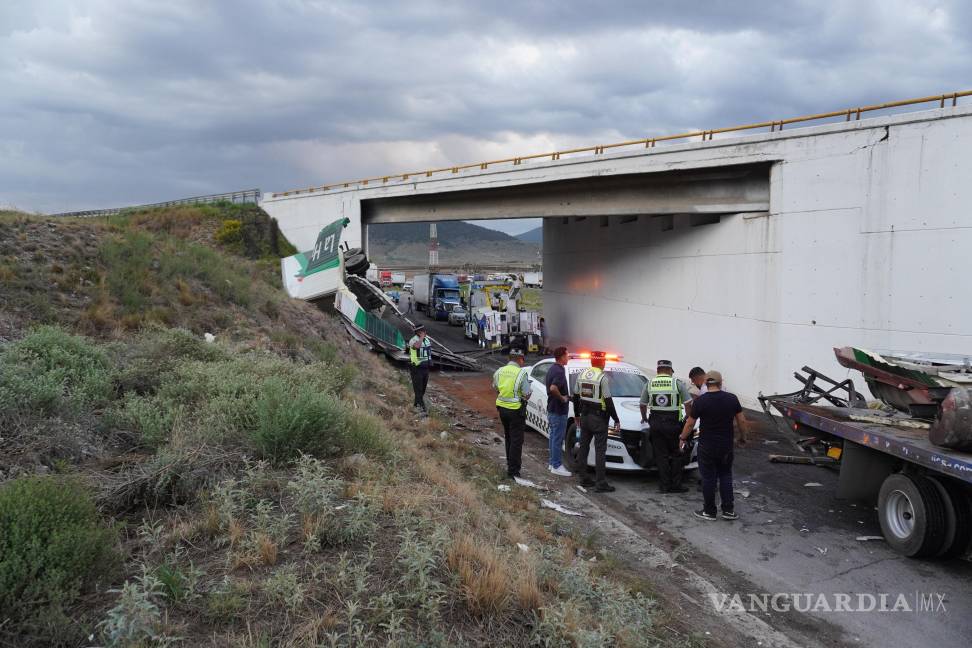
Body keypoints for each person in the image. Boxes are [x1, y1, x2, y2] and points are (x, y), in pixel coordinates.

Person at [679, 370, 750, 521]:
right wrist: (743, 437)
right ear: (721, 383)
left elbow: (690, 423)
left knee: (708, 478)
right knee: (725, 475)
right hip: (725, 445)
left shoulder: (700, 401)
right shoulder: (732, 399)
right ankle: (728, 511)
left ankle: (709, 511)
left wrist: (683, 437)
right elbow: (742, 421)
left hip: (707, 446)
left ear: (705, 383)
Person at [640, 360, 692, 494]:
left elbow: (642, 404)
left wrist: (644, 417)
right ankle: (676, 485)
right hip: (673, 424)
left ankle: (664, 485)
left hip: (656, 424)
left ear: (658, 371)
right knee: (677, 454)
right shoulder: (677, 383)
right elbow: (688, 403)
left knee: (661, 455)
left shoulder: (649, 383)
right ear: (670, 370)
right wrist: (688, 417)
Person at [572, 351, 619, 492]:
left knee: (584, 447)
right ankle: (600, 483)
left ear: (592, 362)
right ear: (602, 363)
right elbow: (608, 401)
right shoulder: (602, 378)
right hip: (599, 419)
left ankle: (583, 478)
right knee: (600, 450)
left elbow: (575, 396)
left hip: (585, 416)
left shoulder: (582, 374)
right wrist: (616, 419)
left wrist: (577, 415)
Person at [493, 349, 532, 478]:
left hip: (502, 409)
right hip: (515, 410)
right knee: (517, 441)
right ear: (519, 359)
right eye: (523, 359)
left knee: (508, 437)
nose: (523, 362)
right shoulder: (521, 373)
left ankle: (510, 464)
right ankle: (513, 471)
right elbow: (527, 393)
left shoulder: (499, 371)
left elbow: (495, 387)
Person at [545, 346, 572, 477]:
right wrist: (563, 398)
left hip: (551, 409)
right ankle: (556, 465)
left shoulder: (552, 368)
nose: (568, 357)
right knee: (557, 439)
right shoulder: (560, 371)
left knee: (553, 437)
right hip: (558, 410)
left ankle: (552, 463)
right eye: (567, 355)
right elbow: (553, 388)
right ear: (561, 356)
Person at [408, 325, 432, 413]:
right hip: (416, 368)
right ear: (418, 332)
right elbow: (417, 346)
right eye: (423, 331)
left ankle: (416, 406)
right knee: (418, 390)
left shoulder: (427, 340)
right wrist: (421, 337)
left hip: (426, 368)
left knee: (422, 390)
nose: (425, 332)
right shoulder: (413, 340)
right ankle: (423, 410)